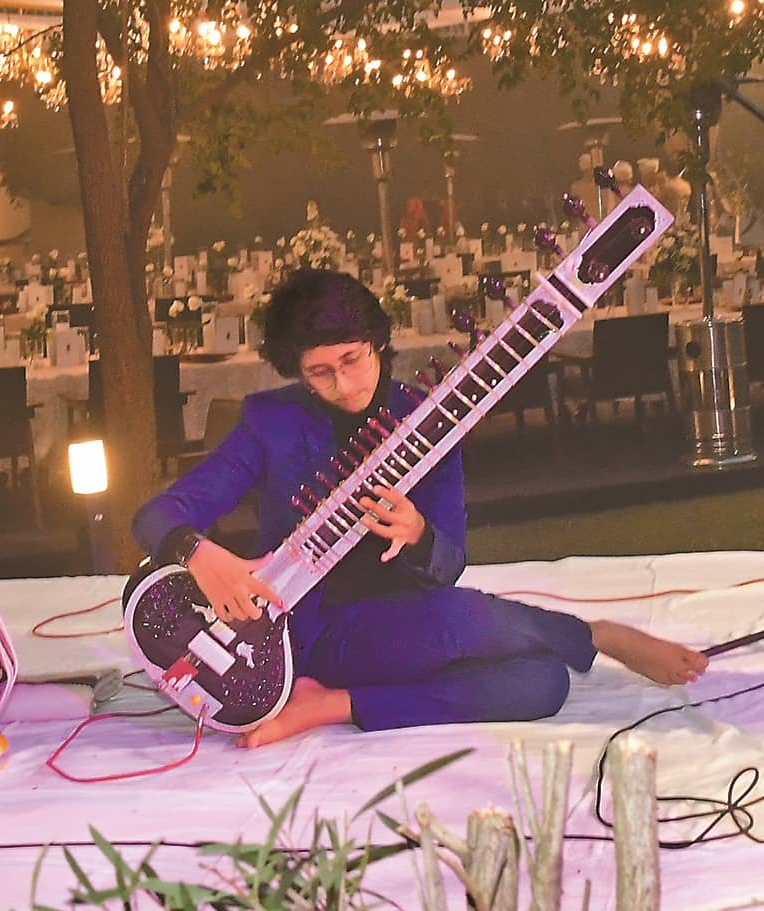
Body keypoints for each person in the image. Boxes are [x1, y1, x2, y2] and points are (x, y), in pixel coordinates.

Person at [131, 268, 709, 747]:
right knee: (467, 618)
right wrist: (199, 553)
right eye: (320, 373)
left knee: (542, 684)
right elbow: (156, 515)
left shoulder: (429, 420)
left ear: (378, 342)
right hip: (306, 633)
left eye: (353, 359)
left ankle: (331, 704)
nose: (343, 384)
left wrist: (416, 533)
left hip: (405, 623)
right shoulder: (270, 422)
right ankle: (597, 635)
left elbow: (448, 563)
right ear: (298, 373)